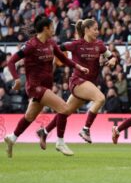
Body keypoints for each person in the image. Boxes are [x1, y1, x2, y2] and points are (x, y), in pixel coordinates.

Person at [4, 14, 89, 157]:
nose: (54, 28)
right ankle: (60, 142)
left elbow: (63, 58)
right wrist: (17, 79)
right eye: (52, 26)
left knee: (29, 117)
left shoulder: (51, 43)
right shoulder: (31, 45)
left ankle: (12, 138)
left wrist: (78, 67)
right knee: (64, 108)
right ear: (45, 28)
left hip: (46, 87)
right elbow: (11, 62)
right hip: (35, 87)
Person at [37, 19, 117, 148]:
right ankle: (85, 129)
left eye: (98, 29)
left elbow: (112, 56)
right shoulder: (76, 44)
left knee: (66, 111)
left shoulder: (100, 45)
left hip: (89, 84)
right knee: (101, 98)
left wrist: (113, 60)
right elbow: (56, 48)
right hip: (78, 82)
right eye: (95, 29)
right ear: (86, 30)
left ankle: (44, 132)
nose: (97, 31)